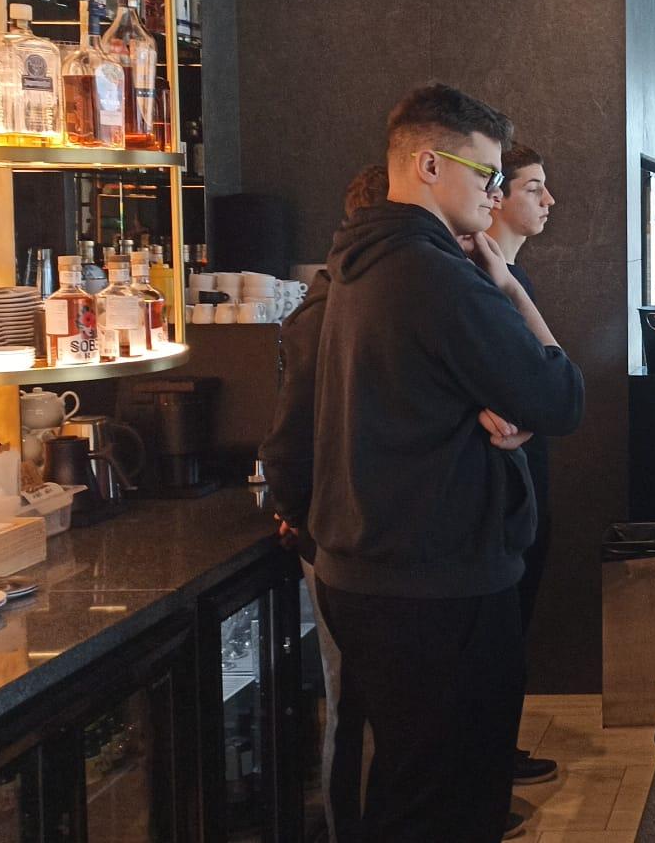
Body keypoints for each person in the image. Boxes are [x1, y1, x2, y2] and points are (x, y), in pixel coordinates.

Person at [310, 84, 585, 842]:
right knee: (450, 802)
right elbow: (561, 396)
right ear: (429, 165)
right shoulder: (435, 275)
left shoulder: (356, 260)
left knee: (407, 786)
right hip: (435, 581)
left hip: (369, 569)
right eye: (486, 174)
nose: (494, 193)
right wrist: (508, 287)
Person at [260, 164, 389, 842]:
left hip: (354, 539)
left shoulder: (351, 299)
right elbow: (285, 445)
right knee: (355, 704)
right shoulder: (330, 310)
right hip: (342, 545)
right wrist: (311, 523)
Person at [480, 142, 564, 788]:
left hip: (527, 482)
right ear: (496, 196)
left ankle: (497, 755)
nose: (548, 200)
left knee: (513, 629)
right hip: (497, 494)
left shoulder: (514, 278)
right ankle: (487, 768)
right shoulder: (480, 281)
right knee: (496, 635)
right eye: (534, 187)